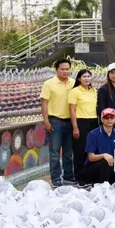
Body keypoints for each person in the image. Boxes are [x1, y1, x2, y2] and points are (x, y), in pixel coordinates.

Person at [40, 59, 74, 187]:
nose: (65, 71)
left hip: (70, 121)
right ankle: (55, 177)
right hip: (55, 121)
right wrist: (46, 120)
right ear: (57, 70)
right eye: (62, 69)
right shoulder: (49, 84)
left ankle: (69, 176)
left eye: (67, 69)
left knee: (68, 152)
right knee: (54, 152)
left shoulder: (74, 83)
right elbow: (44, 103)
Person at [68, 69, 98, 186]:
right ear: (79, 79)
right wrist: (75, 127)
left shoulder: (94, 91)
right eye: (84, 76)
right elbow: (72, 111)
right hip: (81, 122)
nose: (86, 78)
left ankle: (90, 176)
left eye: (88, 76)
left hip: (94, 122)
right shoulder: (74, 92)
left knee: (92, 150)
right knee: (80, 151)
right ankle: (80, 178)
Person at [80, 108, 115, 185]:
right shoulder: (93, 134)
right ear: (102, 119)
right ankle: (102, 188)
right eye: (106, 117)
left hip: (112, 166)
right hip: (94, 169)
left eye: (111, 117)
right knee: (105, 163)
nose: (109, 120)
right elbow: (91, 157)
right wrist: (103, 155)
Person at [97, 63, 115, 139]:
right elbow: (101, 108)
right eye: (112, 73)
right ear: (108, 75)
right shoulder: (103, 89)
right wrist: (106, 121)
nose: (114, 75)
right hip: (110, 121)